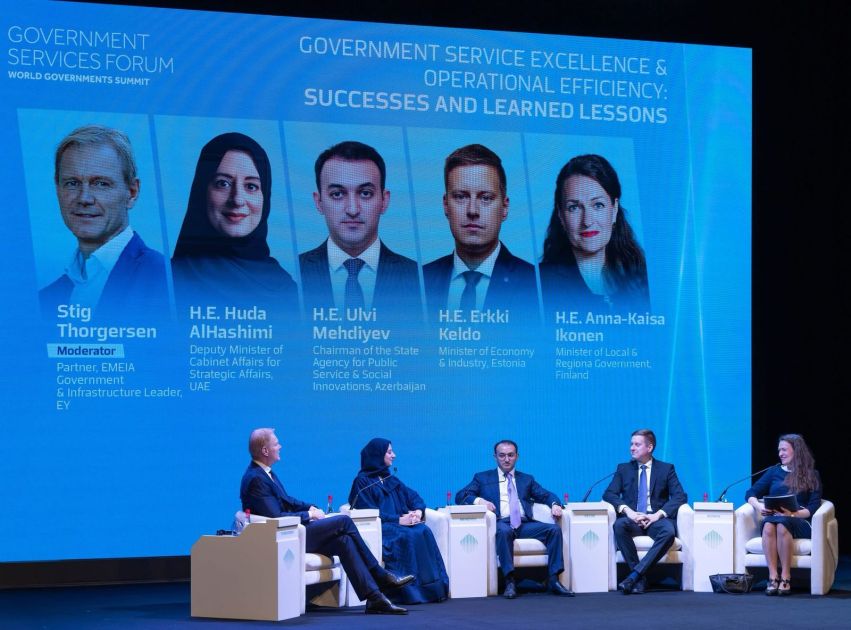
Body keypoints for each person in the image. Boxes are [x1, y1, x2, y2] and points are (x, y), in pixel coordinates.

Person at [240, 428, 413, 615]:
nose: (280, 446)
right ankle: (380, 574)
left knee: (344, 541)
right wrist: (309, 515)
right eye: (276, 444)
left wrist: (310, 507)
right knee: (344, 521)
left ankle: (375, 598)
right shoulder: (256, 478)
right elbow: (276, 517)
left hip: (292, 531)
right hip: (284, 537)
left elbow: (287, 501)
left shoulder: (266, 473)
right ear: (265, 451)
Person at [40, 125, 169, 320]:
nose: (84, 198)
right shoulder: (45, 300)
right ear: (57, 189)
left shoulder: (167, 280)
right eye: (72, 183)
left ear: (132, 193)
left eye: (101, 184)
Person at [171, 133, 297, 318]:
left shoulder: (284, 285)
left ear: (265, 197)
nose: (237, 199)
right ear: (201, 191)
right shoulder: (168, 280)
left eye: (251, 186)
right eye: (223, 184)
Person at [299, 141, 420, 315]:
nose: (353, 210)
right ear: (319, 202)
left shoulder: (419, 278)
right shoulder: (292, 272)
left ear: (384, 201)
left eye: (365, 193)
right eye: (337, 194)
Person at [423, 144, 538, 322]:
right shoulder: (419, 281)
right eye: (461, 197)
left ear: (504, 207)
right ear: (446, 205)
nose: (472, 211)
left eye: (485, 198)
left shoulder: (537, 285)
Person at [455, 439, 574, 598]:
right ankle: (510, 581)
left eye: (510, 455)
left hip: (524, 524)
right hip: (501, 522)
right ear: (495, 457)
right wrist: (479, 501)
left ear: (517, 456)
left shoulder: (526, 479)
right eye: (502, 455)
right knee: (504, 532)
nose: (506, 459)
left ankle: (553, 580)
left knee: (554, 530)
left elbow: (546, 495)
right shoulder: (482, 478)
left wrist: (554, 504)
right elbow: (461, 495)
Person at [540, 154, 649, 313]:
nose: (587, 221)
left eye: (598, 205)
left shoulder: (642, 278)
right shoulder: (538, 285)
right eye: (574, 207)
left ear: (614, 209)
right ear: (561, 215)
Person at [347, 439, 449, 604]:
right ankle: (409, 593)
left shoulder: (390, 479)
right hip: (382, 527)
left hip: (400, 524)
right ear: (377, 455)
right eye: (389, 452)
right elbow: (368, 511)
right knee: (408, 536)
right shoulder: (362, 482)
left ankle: (432, 590)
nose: (393, 455)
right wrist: (398, 520)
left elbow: (414, 497)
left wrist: (417, 512)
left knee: (423, 530)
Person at [602, 429, 687, 594]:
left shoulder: (666, 469)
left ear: (649, 447)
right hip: (632, 519)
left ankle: (634, 576)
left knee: (668, 532)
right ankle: (639, 578)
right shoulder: (623, 469)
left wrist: (657, 515)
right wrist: (628, 512)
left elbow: (680, 496)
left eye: (637, 444)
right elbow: (609, 494)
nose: (632, 448)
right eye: (631, 444)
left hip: (655, 520)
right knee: (619, 526)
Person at [745, 434, 822, 596]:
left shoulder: (812, 475)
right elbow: (751, 493)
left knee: (781, 524)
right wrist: (759, 506)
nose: (780, 453)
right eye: (779, 450)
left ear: (797, 451)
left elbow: (813, 507)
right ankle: (773, 576)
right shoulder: (773, 472)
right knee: (768, 524)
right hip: (774, 518)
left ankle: (786, 576)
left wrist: (793, 513)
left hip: (799, 520)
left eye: (784, 450)